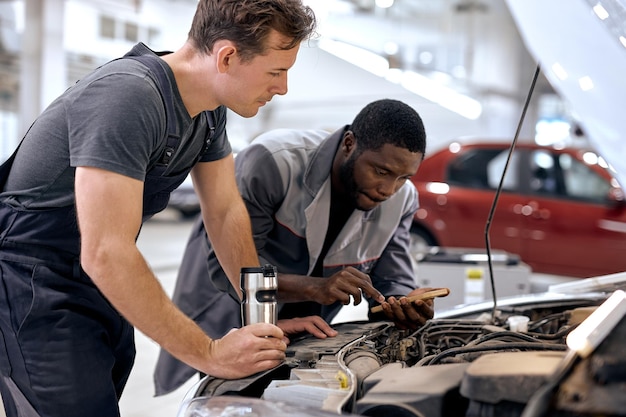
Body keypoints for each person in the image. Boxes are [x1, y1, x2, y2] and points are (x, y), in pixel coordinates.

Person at [0, 1, 316, 416]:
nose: (283, 87)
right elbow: (106, 251)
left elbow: (224, 211)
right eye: (277, 71)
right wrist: (208, 352)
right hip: (29, 283)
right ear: (226, 56)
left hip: (93, 282)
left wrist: (261, 317)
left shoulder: (208, 112)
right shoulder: (129, 96)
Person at [154, 98, 439, 395]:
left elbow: (392, 280)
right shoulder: (274, 162)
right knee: (224, 396)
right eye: (380, 172)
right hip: (232, 312)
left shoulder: (403, 200)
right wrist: (317, 287)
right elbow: (232, 270)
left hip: (307, 332)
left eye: (404, 177)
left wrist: (404, 304)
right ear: (349, 144)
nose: (389, 190)